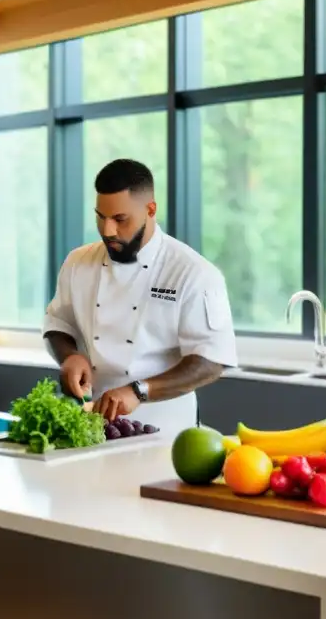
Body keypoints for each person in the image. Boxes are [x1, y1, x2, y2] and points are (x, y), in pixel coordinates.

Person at [42, 158, 238, 435]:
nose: (108, 230)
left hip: (168, 431)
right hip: (91, 425)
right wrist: (70, 357)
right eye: (101, 216)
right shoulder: (77, 262)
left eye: (120, 219)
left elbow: (210, 361)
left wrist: (139, 390)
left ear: (150, 209)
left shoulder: (194, 272)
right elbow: (58, 324)